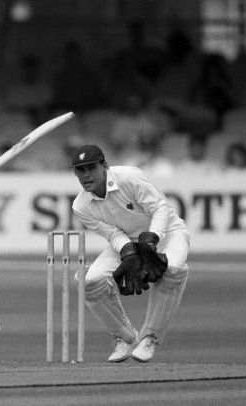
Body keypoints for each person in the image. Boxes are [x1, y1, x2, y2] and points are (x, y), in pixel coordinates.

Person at [70, 145, 189, 363]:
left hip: (168, 233)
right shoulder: (81, 206)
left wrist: (151, 238)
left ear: (104, 165)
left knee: (172, 270)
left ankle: (150, 337)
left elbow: (160, 208)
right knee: (88, 281)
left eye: (90, 168)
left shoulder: (129, 177)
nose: (86, 175)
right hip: (128, 239)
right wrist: (128, 251)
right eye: (80, 170)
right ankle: (125, 337)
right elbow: (112, 233)